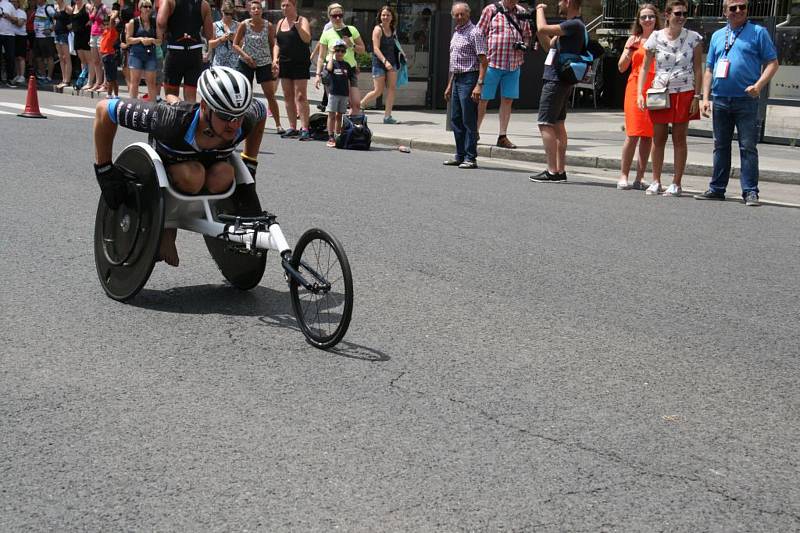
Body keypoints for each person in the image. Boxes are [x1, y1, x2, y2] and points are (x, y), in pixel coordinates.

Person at [93, 65, 266, 266]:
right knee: (193, 175)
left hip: (210, 163)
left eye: (239, 116)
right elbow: (103, 109)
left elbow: (260, 111)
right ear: (205, 108)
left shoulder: (243, 122)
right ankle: (167, 229)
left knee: (226, 175)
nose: (234, 125)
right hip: (172, 166)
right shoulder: (169, 119)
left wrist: (250, 161)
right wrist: (104, 169)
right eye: (225, 116)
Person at [695, 0, 778, 207]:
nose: (739, 11)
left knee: (748, 147)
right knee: (720, 146)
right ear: (725, 12)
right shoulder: (717, 36)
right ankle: (717, 189)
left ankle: (750, 191)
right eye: (733, 8)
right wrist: (705, 98)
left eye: (743, 7)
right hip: (721, 99)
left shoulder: (758, 32)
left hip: (746, 100)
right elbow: (709, 69)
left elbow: (773, 63)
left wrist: (758, 86)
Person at [637, 0, 703, 197]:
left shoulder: (694, 38)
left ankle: (676, 182)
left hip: (685, 91)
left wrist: (697, 96)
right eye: (677, 13)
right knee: (658, 138)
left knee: (679, 138)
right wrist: (641, 93)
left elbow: (699, 69)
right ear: (667, 15)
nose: (681, 17)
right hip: (660, 91)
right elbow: (645, 66)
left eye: (684, 13)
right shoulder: (656, 37)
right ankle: (656, 180)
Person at [529, 0, 585, 183]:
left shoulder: (574, 24)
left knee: (544, 123)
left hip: (555, 81)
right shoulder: (569, 28)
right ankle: (559, 170)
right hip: (558, 79)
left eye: (561, 1)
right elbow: (548, 46)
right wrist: (539, 30)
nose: (558, 4)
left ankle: (552, 171)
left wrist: (539, 9)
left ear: (568, 2)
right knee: (558, 124)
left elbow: (543, 26)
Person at [476, 0, 532, 150]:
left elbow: (527, 34)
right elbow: (478, 33)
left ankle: (502, 136)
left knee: (508, 100)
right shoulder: (491, 9)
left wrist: (524, 44)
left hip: (514, 64)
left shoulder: (521, 12)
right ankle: (474, 132)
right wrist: (482, 56)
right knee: (483, 100)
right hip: (492, 63)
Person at [616, 3, 659, 190]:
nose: (648, 20)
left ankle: (640, 177)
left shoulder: (662, 38)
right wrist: (629, 49)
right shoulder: (634, 39)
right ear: (639, 20)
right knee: (633, 133)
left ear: (656, 19)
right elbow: (621, 67)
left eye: (651, 16)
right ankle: (623, 175)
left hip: (655, 89)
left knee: (648, 135)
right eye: (644, 17)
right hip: (635, 88)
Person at [443, 2, 487, 169]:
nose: (459, 17)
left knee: (469, 119)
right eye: (457, 15)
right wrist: (449, 85)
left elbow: (484, 61)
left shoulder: (474, 32)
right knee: (456, 119)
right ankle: (460, 155)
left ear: (468, 14)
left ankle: (471, 157)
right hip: (457, 78)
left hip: (470, 78)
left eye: (462, 14)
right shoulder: (457, 33)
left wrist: (479, 84)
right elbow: (456, 63)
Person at [232, 0, 283, 133]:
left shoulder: (268, 25)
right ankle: (239, 122)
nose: (256, 10)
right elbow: (235, 44)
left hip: (264, 62)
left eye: (258, 8)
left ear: (261, 11)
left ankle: (278, 124)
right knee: (243, 94)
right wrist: (246, 57)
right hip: (245, 62)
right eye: (253, 8)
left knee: (270, 94)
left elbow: (273, 45)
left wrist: (274, 61)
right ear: (250, 11)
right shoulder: (244, 24)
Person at [157, 0, 214, 102]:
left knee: (171, 94)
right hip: (194, 52)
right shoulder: (204, 4)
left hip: (175, 51)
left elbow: (161, 22)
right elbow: (209, 34)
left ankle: (175, 115)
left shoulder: (170, 1)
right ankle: (189, 116)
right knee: (191, 94)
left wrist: (166, 32)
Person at [315, 3, 365, 115]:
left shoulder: (351, 30)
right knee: (335, 108)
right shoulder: (327, 34)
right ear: (329, 17)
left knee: (356, 103)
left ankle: (348, 129)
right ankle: (336, 131)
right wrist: (318, 75)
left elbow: (362, 50)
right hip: (333, 71)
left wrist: (351, 45)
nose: (337, 18)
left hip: (350, 70)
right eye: (334, 16)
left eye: (340, 15)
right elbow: (321, 56)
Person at [273, 0, 312, 140]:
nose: (284, 8)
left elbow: (307, 39)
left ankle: (305, 128)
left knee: (300, 96)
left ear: (294, 6)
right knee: (287, 95)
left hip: (300, 63)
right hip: (284, 63)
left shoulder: (302, 20)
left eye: (287, 5)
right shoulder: (280, 22)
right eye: (282, 5)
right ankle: (292, 127)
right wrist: (274, 59)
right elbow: (277, 44)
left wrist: (298, 28)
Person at [360, 5, 401, 125]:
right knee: (378, 90)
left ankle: (387, 117)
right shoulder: (378, 29)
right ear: (380, 16)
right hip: (379, 63)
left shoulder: (393, 29)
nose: (385, 17)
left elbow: (395, 45)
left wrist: (401, 55)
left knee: (392, 89)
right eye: (383, 15)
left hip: (392, 62)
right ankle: (361, 104)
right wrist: (385, 62)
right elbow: (376, 49)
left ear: (392, 17)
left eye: (388, 15)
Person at [321, 39, 354, 147]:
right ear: (334, 51)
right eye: (337, 50)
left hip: (344, 94)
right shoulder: (332, 63)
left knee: (339, 115)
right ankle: (330, 136)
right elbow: (329, 69)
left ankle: (337, 134)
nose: (340, 53)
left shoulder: (346, 65)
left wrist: (349, 96)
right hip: (333, 93)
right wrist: (330, 55)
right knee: (331, 115)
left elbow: (348, 81)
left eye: (342, 51)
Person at [126, 0, 159, 99]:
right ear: (140, 8)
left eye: (149, 6)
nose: (148, 9)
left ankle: (152, 108)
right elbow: (128, 39)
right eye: (145, 6)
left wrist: (152, 40)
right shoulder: (134, 22)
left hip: (150, 54)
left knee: (151, 83)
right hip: (136, 54)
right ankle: (132, 105)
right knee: (135, 81)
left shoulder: (154, 22)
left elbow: (160, 40)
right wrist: (140, 39)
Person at [32, 0, 56, 84]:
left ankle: (49, 77)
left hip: (47, 37)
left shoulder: (48, 8)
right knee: (38, 57)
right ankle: (43, 75)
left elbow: (56, 20)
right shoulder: (38, 8)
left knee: (49, 57)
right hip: (37, 36)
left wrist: (50, 29)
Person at [209, 0, 237, 68]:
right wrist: (221, 39)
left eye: (231, 14)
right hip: (219, 64)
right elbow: (210, 44)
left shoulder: (238, 25)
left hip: (234, 64)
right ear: (222, 12)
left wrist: (234, 38)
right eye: (227, 14)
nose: (229, 16)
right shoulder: (215, 25)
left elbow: (243, 44)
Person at [86, 0, 107, 91]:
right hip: (93, 34)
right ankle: (98, 82)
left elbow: (112, 19)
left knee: (103, 61)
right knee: (95, 60)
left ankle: (105, 84)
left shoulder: (104, 8)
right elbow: (91, 20)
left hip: (101, 35)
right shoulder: (93, 7)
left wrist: (106, 27)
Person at [71, 0, 92, 87]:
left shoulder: (86, 6)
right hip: (77, 36)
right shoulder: (73, 7)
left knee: (89, 60)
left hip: (85, 35)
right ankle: (83, 78)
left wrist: (91, 21)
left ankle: (90, 81)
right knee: (82, 60)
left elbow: (94, 13)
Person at [99, 10, 118, 96]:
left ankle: (111, 95)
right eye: (105, 24)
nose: (106, 26)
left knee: (111, 78)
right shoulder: (105, 32)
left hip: (109, 57)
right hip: (105, 57)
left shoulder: (112, 32)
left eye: (108, 24)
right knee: (110, 78)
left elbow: (112, 21)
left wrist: (113, 14)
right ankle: (113, 95)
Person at [0, 0, 18, 86]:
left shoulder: (8, 4)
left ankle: (10, 79)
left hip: (9, 34)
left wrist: (8, 17)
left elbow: (16, 20)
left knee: (10, 57)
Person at [11, 0, 26, 85]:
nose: (13, 3)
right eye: (11, 1)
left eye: (15, 2)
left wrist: (11, 19)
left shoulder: (21, 12)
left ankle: (22, 75)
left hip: (21, 36)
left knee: (21, 57)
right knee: (16, 57)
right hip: (13, 36)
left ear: (18, 3)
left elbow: (20, 24)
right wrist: (13, 19)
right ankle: (18, 74)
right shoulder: (11, 11)